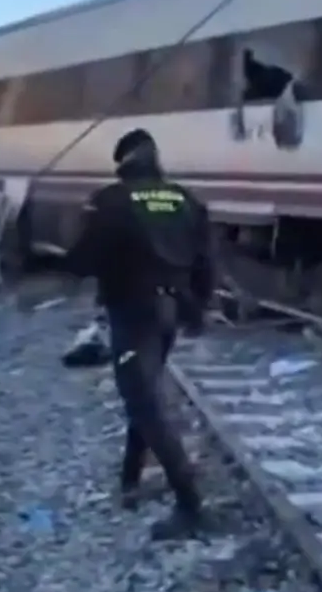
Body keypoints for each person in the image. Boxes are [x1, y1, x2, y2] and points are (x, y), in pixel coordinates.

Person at [60, 127, 216, 540]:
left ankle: (190, 505)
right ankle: (130, 479)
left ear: (123, 164)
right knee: (144, 391)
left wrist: (74, 233)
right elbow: (206, 261)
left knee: (145, 403)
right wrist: (198, 310)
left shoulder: (111, 201)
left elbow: (80, 262)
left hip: (134, 312)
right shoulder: (185, 199)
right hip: (170, 314)